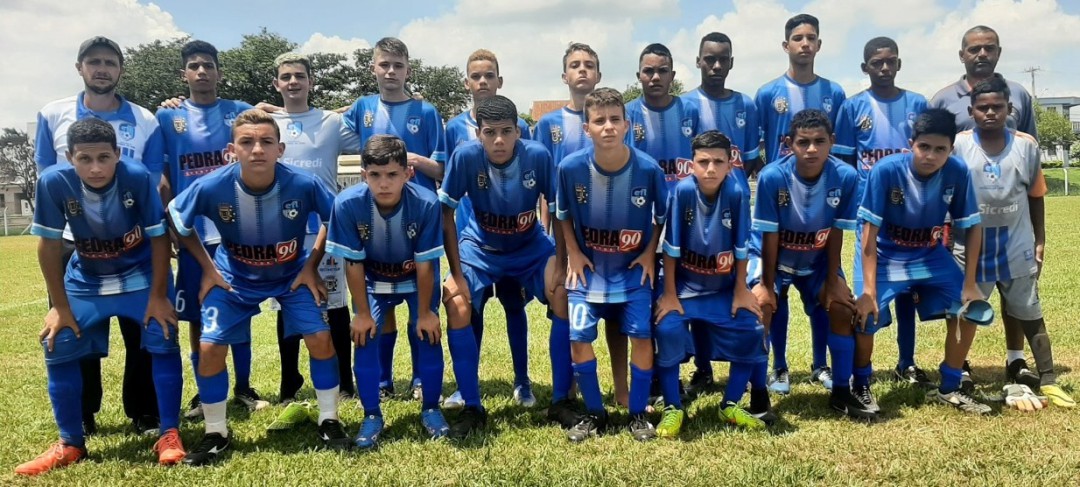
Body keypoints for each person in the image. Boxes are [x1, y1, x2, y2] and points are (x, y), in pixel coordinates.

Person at [169, 109, 347, 465]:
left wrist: (310, 266)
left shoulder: (304, 183)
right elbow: (177, 220)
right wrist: (206, 268)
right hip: (233, 277)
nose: (257, 150)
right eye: (247, 142)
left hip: (290, 276)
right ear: (232, 149)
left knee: (321, 339)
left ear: (280, 149)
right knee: (208, 346)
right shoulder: (212, 185)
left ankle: (330, 420)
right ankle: (216, 432)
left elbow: (334, 217)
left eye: (266, 142)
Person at [17, 118, 184, 475]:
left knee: (163, 334)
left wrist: (158, 296)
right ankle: (70, 443)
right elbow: (48, 246)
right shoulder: (53, 182)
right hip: (87, 278)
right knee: (58, 341)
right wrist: (59, 307)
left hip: (139, 277)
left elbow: (158, 237)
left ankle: (169, 433)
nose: (95, 167)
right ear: (69, 157)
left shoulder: (137, 176)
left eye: (104, 158)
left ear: (118, 155)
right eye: (85, 159)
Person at [34, 35, 163, 436]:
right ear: (80, 68)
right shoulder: (52, 113)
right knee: (75, 326)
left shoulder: (145, 118)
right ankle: (84, 413)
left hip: (132, 239)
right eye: (94, 62)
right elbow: (45, 174)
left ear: (121, 69)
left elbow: (155, 178)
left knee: (141, 332)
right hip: (74, 238)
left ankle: (143, 412)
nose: (102, 69)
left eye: (109, 62)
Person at [438, 95, 568, 438]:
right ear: (478, 133)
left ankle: (560, 400)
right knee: (457, 301)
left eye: (506, 131)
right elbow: (446, 213)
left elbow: (558, 211)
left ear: (518, 131)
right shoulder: (465, 156)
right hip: (480, 248)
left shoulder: (537, 155)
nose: (498, 140)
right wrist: (455, 272)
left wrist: (561, 262)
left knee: (563, 293)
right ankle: (471, 405)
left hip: (530, 246)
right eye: (490, 132)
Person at [854, 108, 991, 415]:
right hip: (886, 253)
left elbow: (972, 227)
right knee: (864, 316)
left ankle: (950, 386)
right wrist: (869, 292)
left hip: (928, 254)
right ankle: (860, 385)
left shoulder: (957, 171)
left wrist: (970, 285)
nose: (931, 155)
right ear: (910, 144)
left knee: (969, 310)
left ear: (950, 150)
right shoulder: (886, 171)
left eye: (940, 149)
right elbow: (867, 237)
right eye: (924, 147)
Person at [951, 78, 1075, 407]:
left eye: (997, 107)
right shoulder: (960, 145)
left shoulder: (1026, 146)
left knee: (1029, 311)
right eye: (983, 107)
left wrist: (1040, 240)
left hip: (1016, 245)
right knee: (964, 312)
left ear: (1009, 109)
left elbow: (1036, 197)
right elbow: (948, 195)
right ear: (971, 111)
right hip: (971, 248)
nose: (990, 113)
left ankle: (1047, 379)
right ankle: (957, 373)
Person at [157, 40, 264, 419]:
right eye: (194, 66)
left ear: (219, 72)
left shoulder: (239, 112)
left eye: (208, 66)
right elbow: (165, 176)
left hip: (237, 228)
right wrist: (170, 222)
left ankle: (245, 387)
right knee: (197, 315)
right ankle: (204, 393)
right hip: (192, 231)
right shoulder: (167, 117)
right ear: (184, 73)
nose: (201, 72)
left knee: (241, 306)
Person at [555, 87, 668, 442]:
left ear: (627, 125)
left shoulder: (648, 170)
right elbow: (562, 216)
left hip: (632, 271)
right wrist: (573, 250)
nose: (608, 127)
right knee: (578, 338)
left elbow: (660, 216)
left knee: (642, 338)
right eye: (599, 121)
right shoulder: (570, 168)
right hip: (588, 273)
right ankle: (594, 413)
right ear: (586, 128)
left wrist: (650, 251)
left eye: (615, 120)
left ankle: (637, 414)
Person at [326, 134, 450, 450]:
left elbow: (425, 266)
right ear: (363, 173)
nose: (384, 183)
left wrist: (425, 313)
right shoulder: (347, 203)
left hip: (415, 278)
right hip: (371, 281)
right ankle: (371, 414)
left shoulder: (425, 202)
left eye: (392, 174)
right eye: (375, 175)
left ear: (407, 174)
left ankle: (431, 408)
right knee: (364, 335)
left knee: (427, 333)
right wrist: (362, 313)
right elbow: (352, 263)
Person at [341, 37, 447, 401]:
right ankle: (383, 382)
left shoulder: (427, 111)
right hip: (374, 222)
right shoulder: (361, 108)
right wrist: (276, 110)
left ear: (408, 70)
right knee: (380, 307)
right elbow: (320, 127)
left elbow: (442, 168)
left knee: (422, 304)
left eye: (397, 66)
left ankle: (420, 381)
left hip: (418, 219)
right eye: (384, 64)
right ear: (373, 68)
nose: (390, 72)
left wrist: (412, 162)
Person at [749, 110, 864, 418]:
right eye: (803, 142)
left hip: (816, 260)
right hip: (771, 257)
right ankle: (760, 395)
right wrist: (767, 287)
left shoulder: (846, 177)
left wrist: (833, 280)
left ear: (832, 143)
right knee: (762, 307)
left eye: (819, 142)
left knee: (841, 307)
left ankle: (841, 392)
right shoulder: (773, 176)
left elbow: (836, 232)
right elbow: (769, 238)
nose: (811, 149)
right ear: (789, 143)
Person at [533, 42, 628, 417]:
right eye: (575, 65)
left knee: (619, 314)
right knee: (567, 306)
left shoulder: (615, 121)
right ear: (564, 76)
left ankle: (622, 390)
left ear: (599, 74)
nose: (583, 70)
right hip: (567, 238)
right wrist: (556, 249)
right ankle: (568, 390)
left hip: (612, 240)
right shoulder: (548, 124)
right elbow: (546, 192)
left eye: (589, 65)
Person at [265, 53, 361, 421]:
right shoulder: (268, 123)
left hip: (326, 228)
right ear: (277, 84)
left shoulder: (332, 122)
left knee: (335, 305)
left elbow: (369, 140)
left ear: (310, 82)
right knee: (284, 306)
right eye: (286, 77)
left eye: (299, 76)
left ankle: (346, 383)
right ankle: (289, 385)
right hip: (282, 232)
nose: (293, 82)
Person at [754, 13, 846, 393]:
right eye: (797, 37)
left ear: (819, 45)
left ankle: (821, 366)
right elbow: (758, 149)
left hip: (819, 205)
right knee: (774, 293)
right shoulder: (766, 93)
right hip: (781, 200)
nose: (804, 43)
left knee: (825, 293)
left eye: (811, 37)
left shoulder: (835, 93)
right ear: (786, 45)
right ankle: (778, 367)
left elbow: (840, 157)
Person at [654, 131, 766, 436]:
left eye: (718, 161)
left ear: (730, 164)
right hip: (685, 289)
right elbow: (671, 249)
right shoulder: (682, 192)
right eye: (703, 162)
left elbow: (742, 248)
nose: (711, 169)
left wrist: (741, 290)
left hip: (722, 289)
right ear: (692, 165)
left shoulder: (737, 193)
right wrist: (669, 294)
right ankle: (673, 407)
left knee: (752, 327)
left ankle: (729, 403)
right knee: (666, 328)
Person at [833, 37, 931, 387]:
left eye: (890, 62)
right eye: (877, 63)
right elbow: (844, 163)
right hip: (869, 216)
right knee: (866, 292)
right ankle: (864, 369)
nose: (884, 68)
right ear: (866, 68)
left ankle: (906, 362)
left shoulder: (918, 104)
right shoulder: (852, 107)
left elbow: (928, 157)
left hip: (910, 214)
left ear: (899, 64)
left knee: (906, 291)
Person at [442, 49, 536, 409]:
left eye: (489, 75)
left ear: (500, 80)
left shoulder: (519, 126)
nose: (483, 81)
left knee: (515, 305)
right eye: (476, 76)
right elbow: (448, 177)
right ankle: (467, 385)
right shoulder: (453, 129)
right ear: (467, 82)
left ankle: (522, 381)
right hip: (472, 236)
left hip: (513, 236)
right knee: (471, 307)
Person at [681, 31, 762, 392]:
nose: (715, 65)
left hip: (738, 212)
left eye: (723, 58)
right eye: (709, 58)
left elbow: (750, 163)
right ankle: (703, 368)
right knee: (699, 284)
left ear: (731, 62)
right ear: (698, 61)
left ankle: (754, 371)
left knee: (739, 286)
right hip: (697, 212)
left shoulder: (747, 104)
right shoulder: (684, 105)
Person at [930, 25, 1037, 136]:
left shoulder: (1018, 93)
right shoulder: (942, 100)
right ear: (962, 56)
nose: (982, 54)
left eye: (989, 48)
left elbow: (1030, 144)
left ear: (998, 53)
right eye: (974, 49)